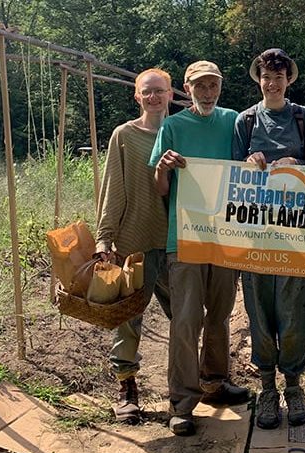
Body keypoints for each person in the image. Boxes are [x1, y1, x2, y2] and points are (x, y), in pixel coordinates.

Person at [150, 60, 250, 437]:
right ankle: (182, 403)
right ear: (187, 88)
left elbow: (248, 169)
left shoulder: (234, 121)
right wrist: (163, 167)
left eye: (213, 86)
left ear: (220, 87)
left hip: (225, 235)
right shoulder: (173, 126)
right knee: (186, 319)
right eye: (200, 86)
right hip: (185, 236)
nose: (207, 93)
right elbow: (161, 187)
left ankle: (215, 382)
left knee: (220, 314)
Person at [233, 48, 305, 430]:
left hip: (298, 234)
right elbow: (230, 173)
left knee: (296, 311)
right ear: (259, 79)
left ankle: (294, 386)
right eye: (266, 77)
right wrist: (248, 164)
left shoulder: (304, 118)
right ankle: (267, 387)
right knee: (259, 310)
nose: (272, 83)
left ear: (288, 80)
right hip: (255, 235)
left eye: (278, 77)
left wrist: (297, 165)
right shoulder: (246, 120)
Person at [95, 68, 173, 424]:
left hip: (175, 241)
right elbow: (113, 187)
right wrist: (105, 236)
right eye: (147, 91)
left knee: (186, 316)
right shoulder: (124, 135)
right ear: (137, 96)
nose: (153, 97)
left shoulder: (181, 131)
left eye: (160, 90)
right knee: (129, 318)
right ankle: (127, 387)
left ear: (171, 94)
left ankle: (187, 385)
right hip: (135, 241)